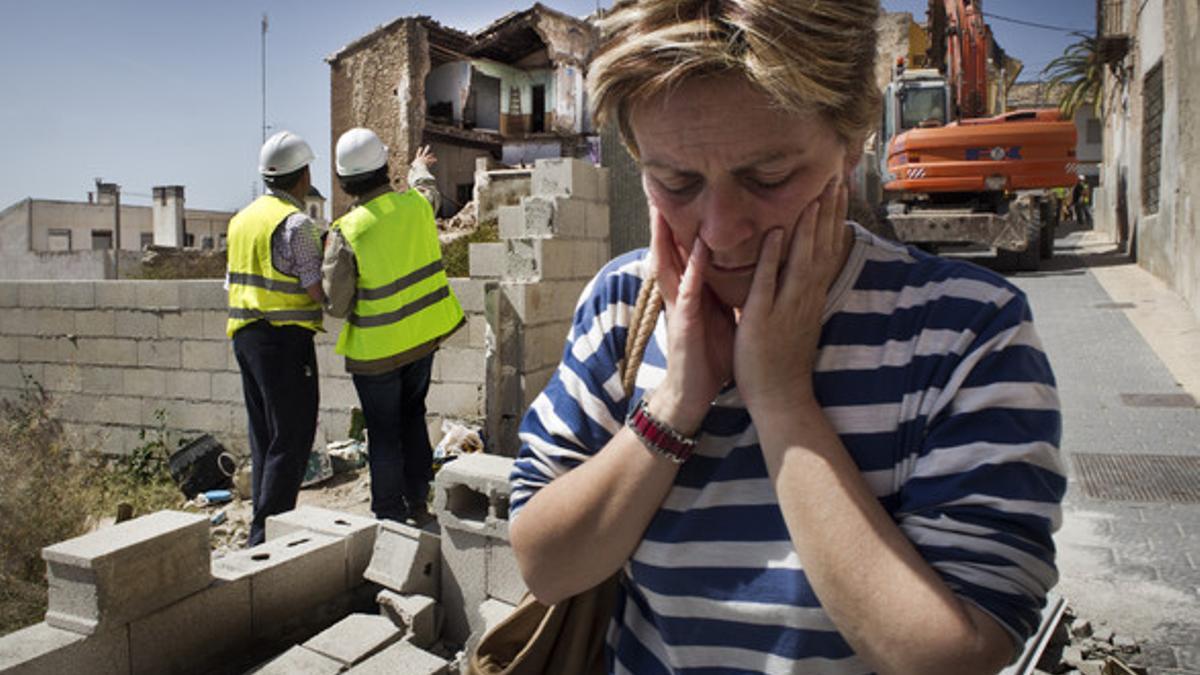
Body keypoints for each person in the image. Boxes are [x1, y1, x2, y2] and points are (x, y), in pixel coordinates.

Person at [507, 1, 1066, 673]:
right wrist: (676, 403)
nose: (720, 231)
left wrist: (781, 400)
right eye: (676, 183)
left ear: (852, 138)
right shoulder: (623, 305)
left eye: (768, 178)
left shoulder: (969, 332)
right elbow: (544, 563)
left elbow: (952, 655)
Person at [322, 127, 465, 524]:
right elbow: (428, 194)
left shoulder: (347, 231)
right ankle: (418, 502)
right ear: (385, 167)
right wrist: (419, 167)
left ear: (343, 181)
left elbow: (336, 304)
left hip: (376, 352)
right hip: (422, 340)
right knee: (413, 418)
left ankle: (388, 514)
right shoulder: (415, 207)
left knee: (383, 433)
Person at [227, 130, 325, 546]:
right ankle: (267, 535)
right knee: (293, 434)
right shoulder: (297, 224)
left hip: (246, 337)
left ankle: (262, 526)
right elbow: (315, 288)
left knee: (265, 435)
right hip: (285, 339)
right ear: (302, 174)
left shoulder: (241, 220)